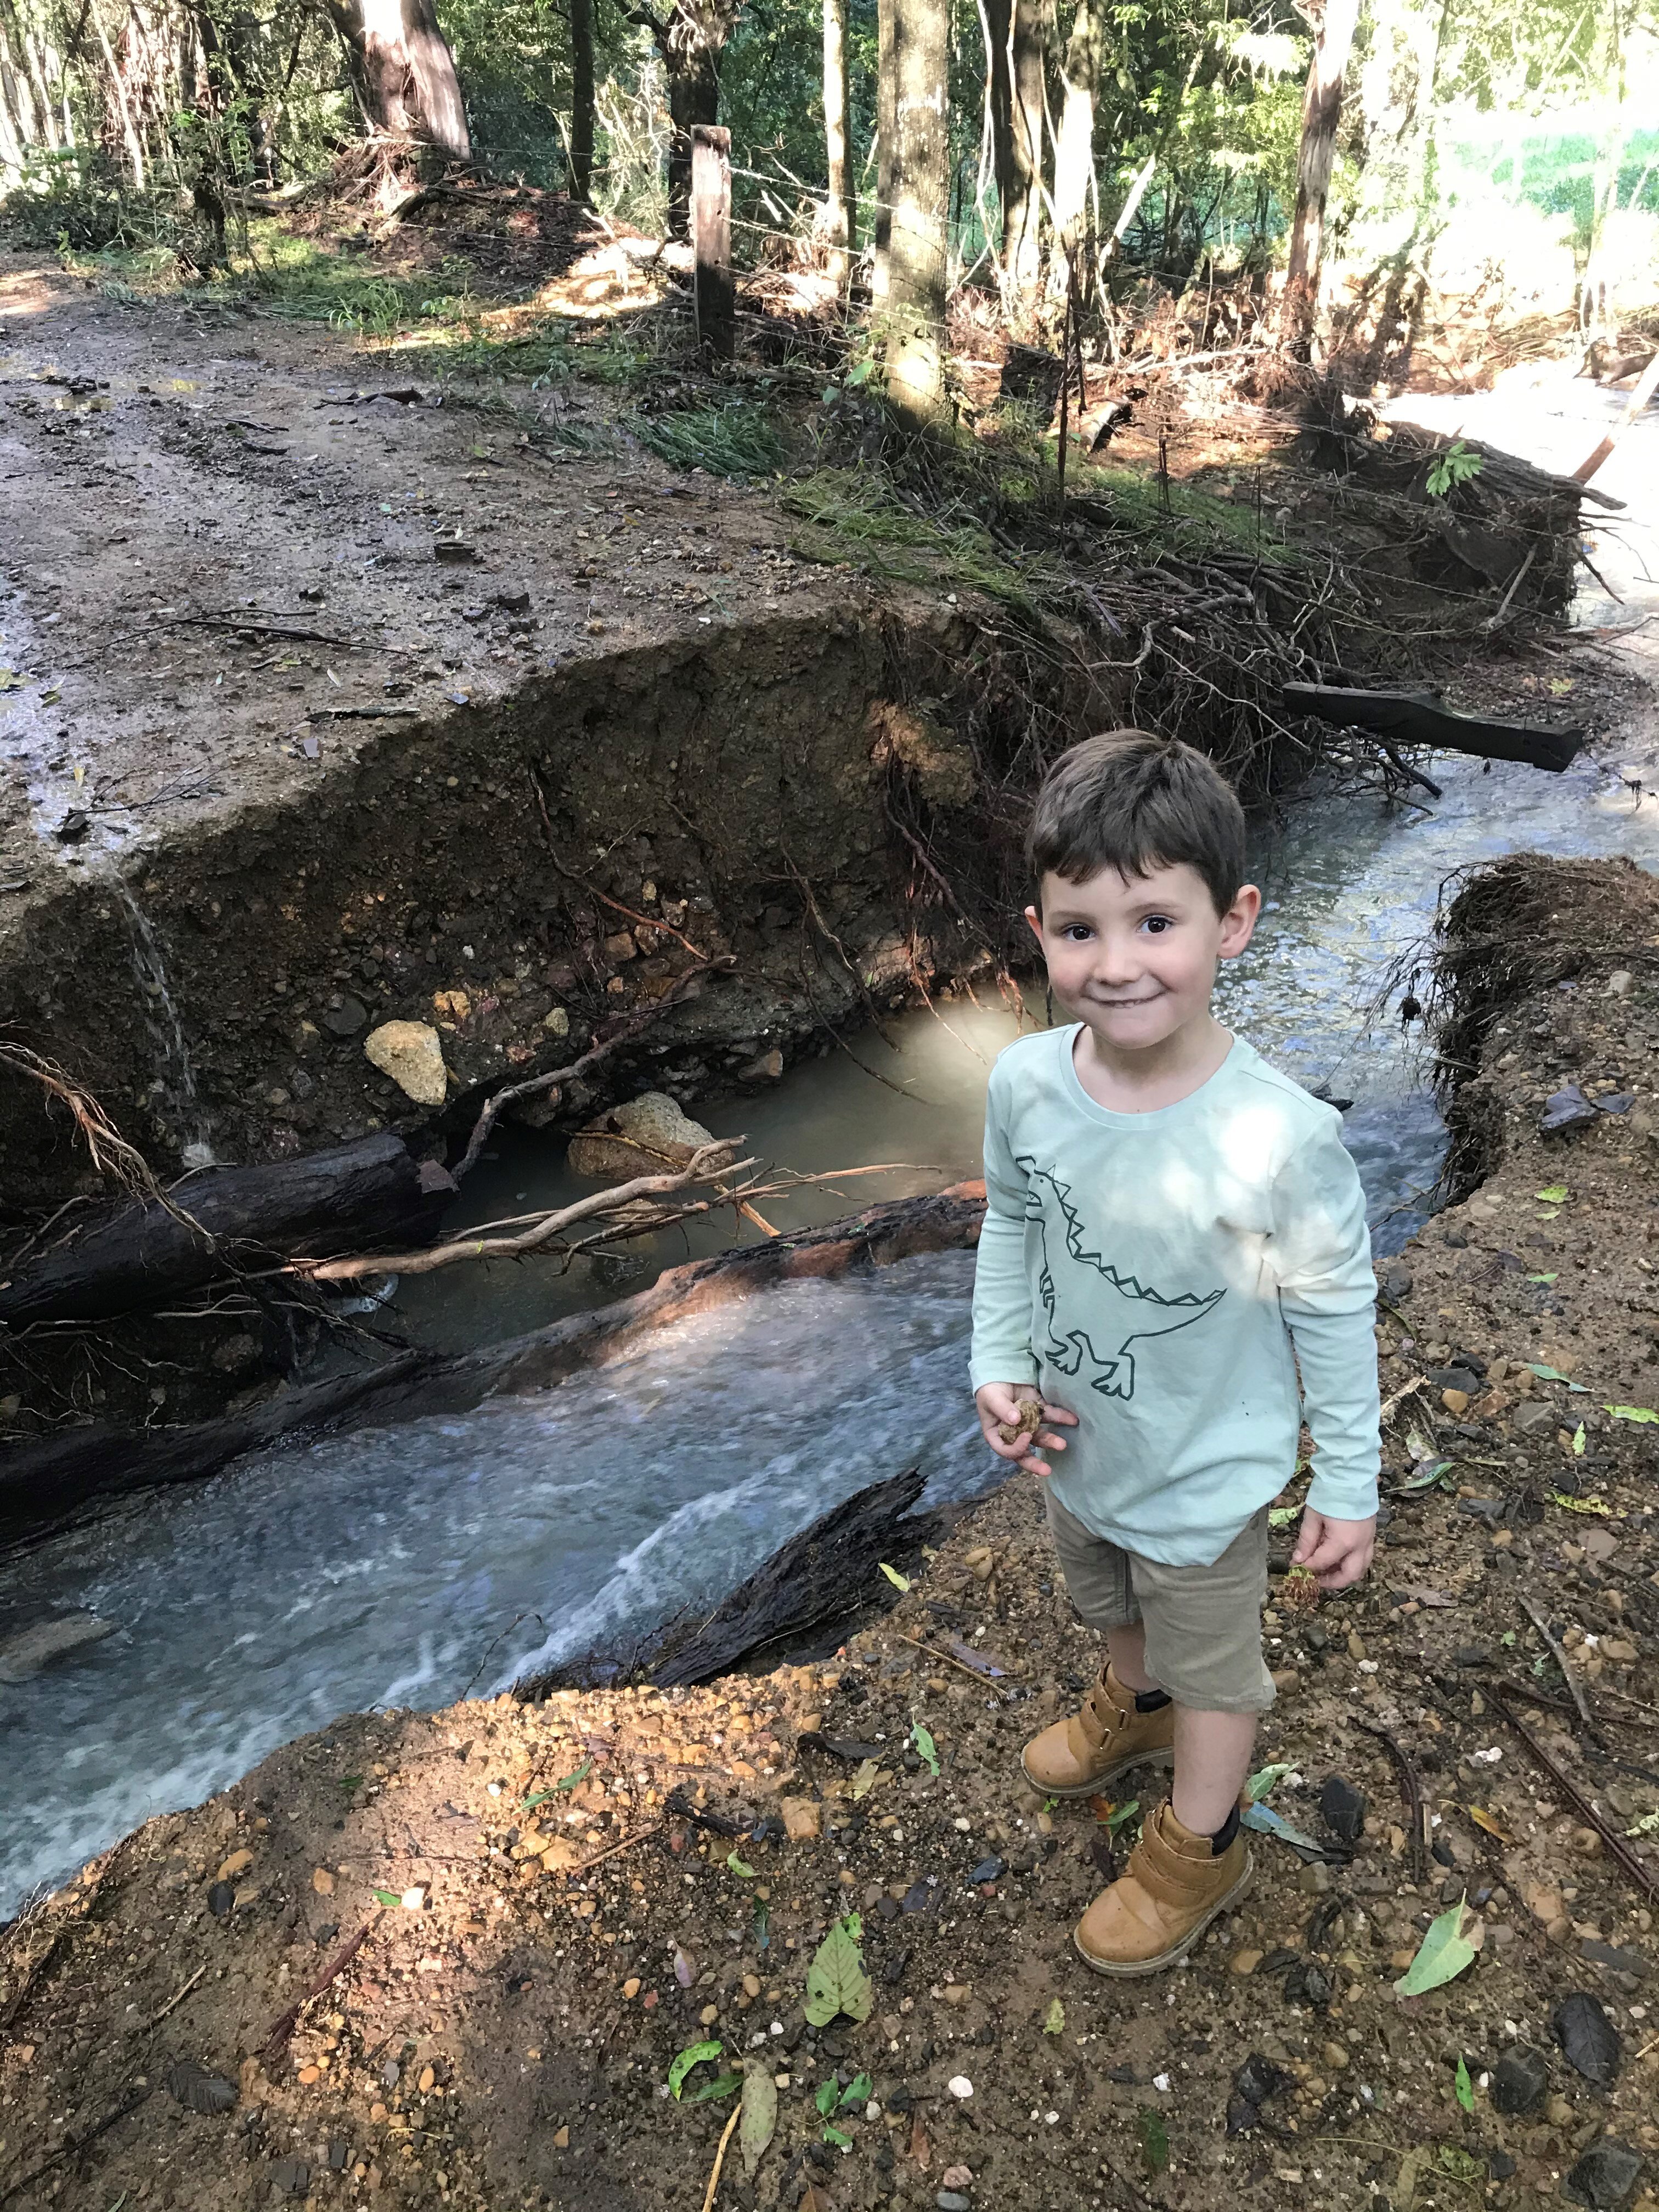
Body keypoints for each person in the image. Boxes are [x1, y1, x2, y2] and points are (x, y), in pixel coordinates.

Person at [970, 729, 1380, 1978]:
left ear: (1234, 922)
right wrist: (999, 1357)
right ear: (1037, 931)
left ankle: (1198, 1845)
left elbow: (1336, 1309)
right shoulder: (1026, 1084)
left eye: (1156, 922)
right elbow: (1013, 1221)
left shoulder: (1280, 1136)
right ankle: (1130, 1709)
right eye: (1079, 929)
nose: (1117, 963)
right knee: (1108, 1602)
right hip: (1080, 1448)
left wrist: (1350, 1483)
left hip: (1206, 1479)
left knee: (1217, 1670)